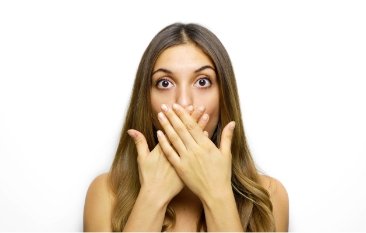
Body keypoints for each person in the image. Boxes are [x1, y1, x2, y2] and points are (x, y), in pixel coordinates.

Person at [83, 22, 289, 232]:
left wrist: (216, 193)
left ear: (224, 97)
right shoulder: (107, 193)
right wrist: (153, 196)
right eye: (164, 83)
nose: (183, 102)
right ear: (146, 101)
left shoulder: (269, 196)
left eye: (202, 82)